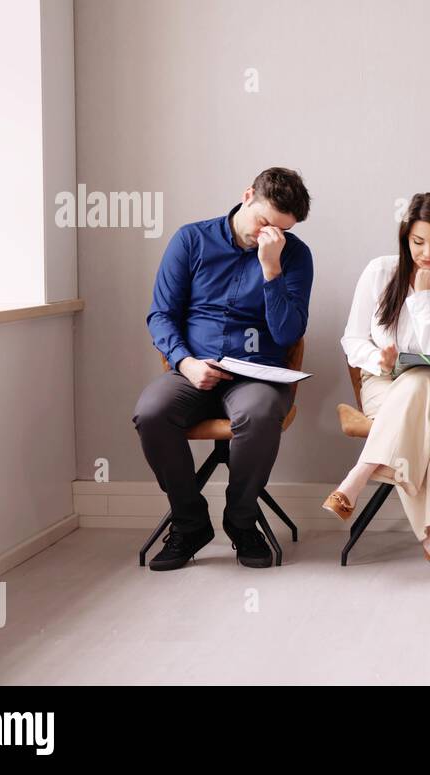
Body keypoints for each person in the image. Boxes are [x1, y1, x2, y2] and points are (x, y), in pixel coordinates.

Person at [134, 167, 313, 570]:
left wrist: (271, 270)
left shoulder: (294, 255)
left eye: (281, 231)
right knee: (152, 412)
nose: (269, 235)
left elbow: (288, 335)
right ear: (248, 195)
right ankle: (190, 522)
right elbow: (161, 315)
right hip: (193, 370)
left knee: (260, 412)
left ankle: (241, 521)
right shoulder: (191, 239)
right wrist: (185, 362)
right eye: (265, 223)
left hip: (258, 375)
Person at [324, 193, 430, 575]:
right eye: (418, 242)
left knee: (421, 381)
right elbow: (352, 339)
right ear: (404, 237)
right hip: (385, 382)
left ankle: (359, 474)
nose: (428, 253)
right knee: (424, 421)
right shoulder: (378, 272)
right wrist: (379, 359)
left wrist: (424, 296)